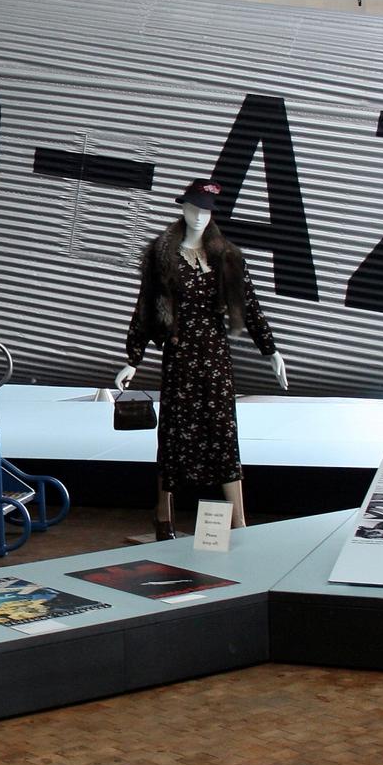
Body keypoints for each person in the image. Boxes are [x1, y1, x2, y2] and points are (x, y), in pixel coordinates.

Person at [115, 178, 287, 541]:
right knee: (174, 438)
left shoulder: (226, 257)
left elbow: (249, 306)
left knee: (223, 436)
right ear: (182, 208)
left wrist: (270, 350)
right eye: (193, 208)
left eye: (205, 211)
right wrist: (133, 358)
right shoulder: (162, 256)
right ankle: (164, 519)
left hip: (215, 360)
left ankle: (238, 523)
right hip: (179, 359)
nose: (198, 217)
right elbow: (145, 308)